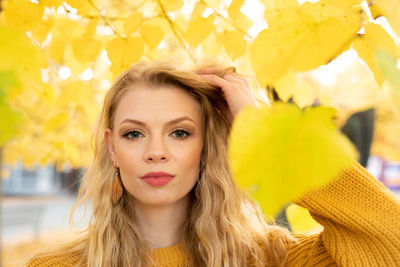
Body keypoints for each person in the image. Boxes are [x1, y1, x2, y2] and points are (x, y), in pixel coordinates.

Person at [28, 61, 400, 267]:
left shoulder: (270, 259)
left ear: (206, 148)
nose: (156, 152)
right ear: (112, 149)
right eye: (134, 134)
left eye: (180, 133)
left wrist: (262, 130)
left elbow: (390, 242)